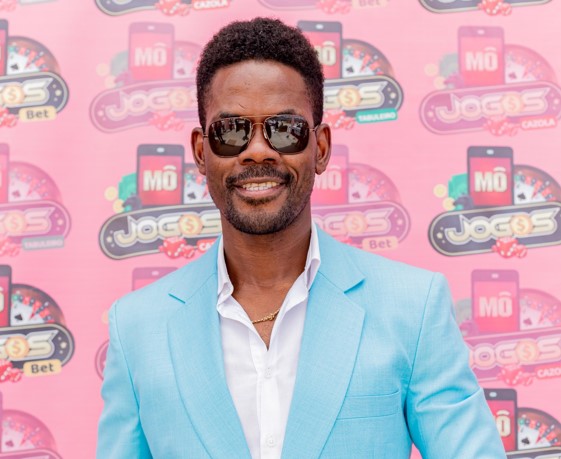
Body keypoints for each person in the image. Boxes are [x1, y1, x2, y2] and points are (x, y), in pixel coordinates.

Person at [97, 18, 506, 459]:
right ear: (201, 151)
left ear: (321, 148)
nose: (257, 150)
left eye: (284, 130)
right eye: (231, 131)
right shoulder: (137, 328)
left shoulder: (413, 308)